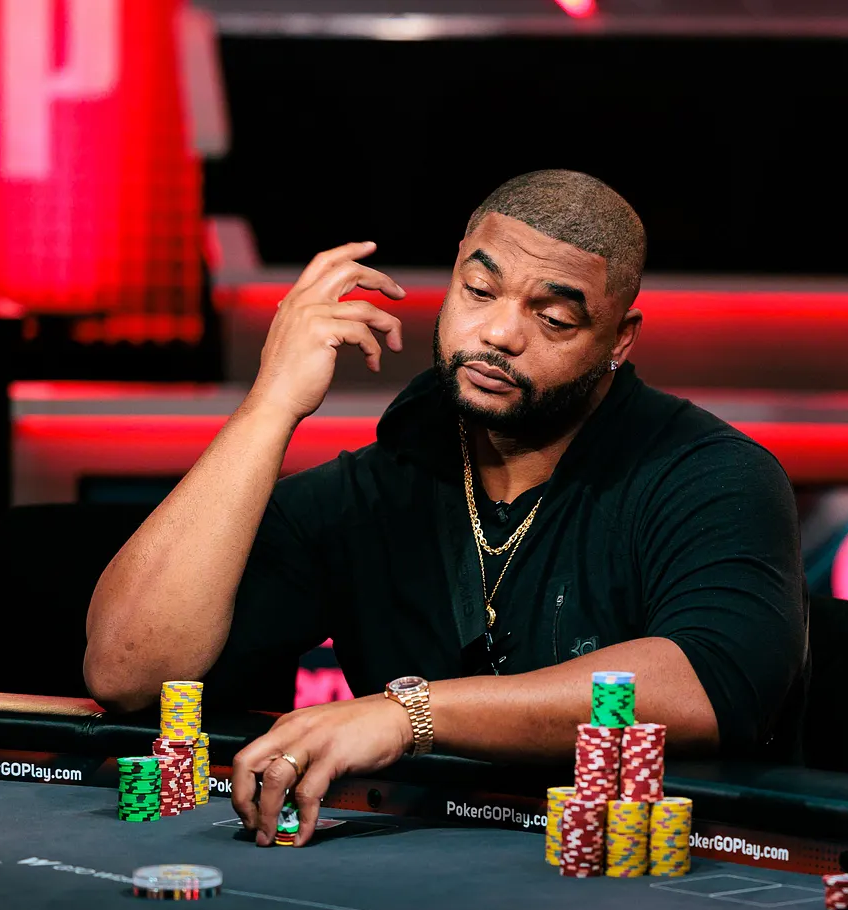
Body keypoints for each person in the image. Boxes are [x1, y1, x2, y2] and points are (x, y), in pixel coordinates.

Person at [83, 170, 809, 846]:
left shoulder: (709, 474)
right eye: (480, 290)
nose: (499, 334)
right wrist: (270, 403)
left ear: (619, 338)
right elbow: (127, 671)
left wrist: (409, 715)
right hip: (414, 864)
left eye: (554, 317)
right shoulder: (377, 488)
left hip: (653, 871)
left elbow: (708, 681)